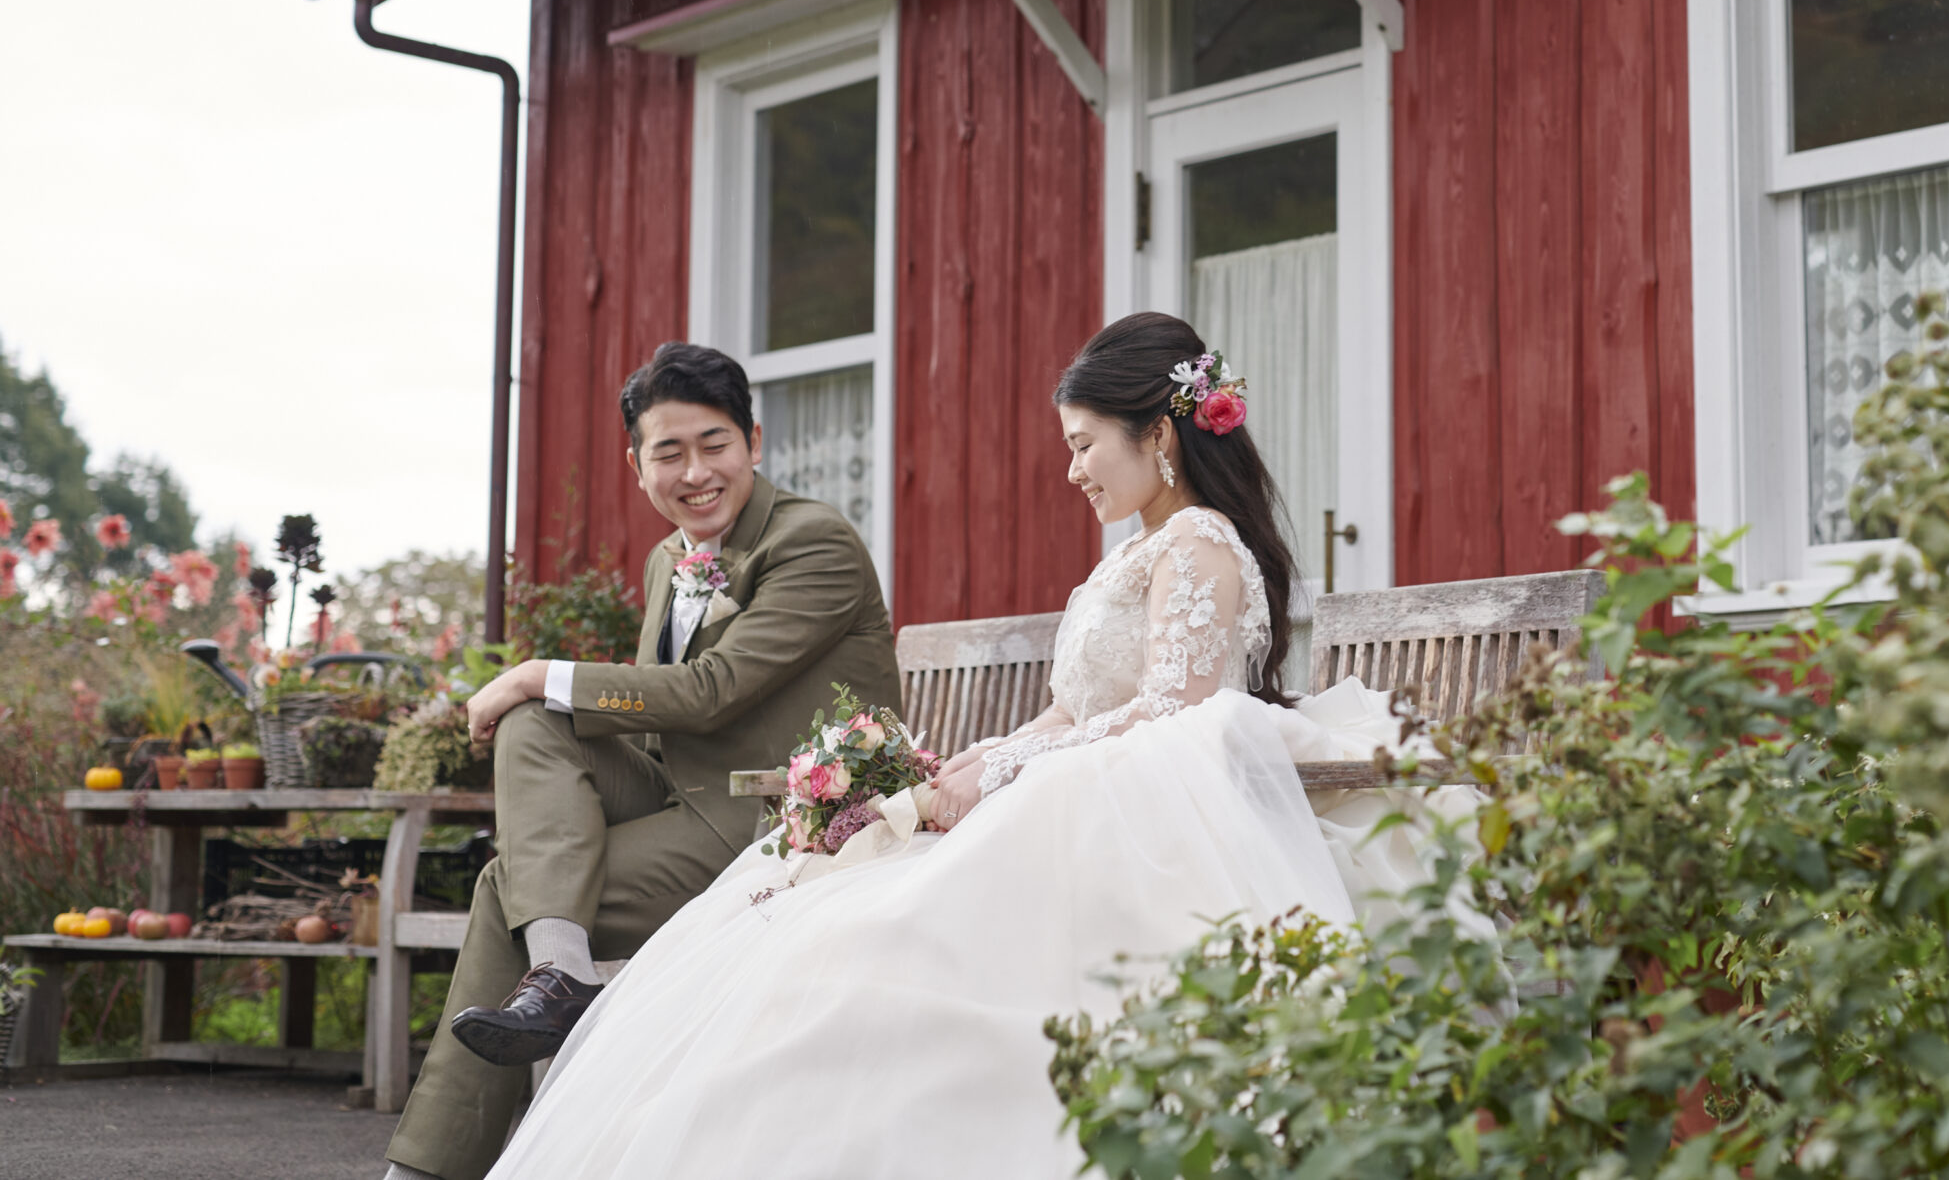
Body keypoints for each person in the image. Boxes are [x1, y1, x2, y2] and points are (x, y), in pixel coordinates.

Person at [478, 312, 1448, 1180]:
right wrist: (987, 753)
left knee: (883, 934)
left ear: (1158, 433)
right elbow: (1072, 709)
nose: (1072, 470)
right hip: (1091, 778)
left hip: (1146, 811)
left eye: (1084, 444)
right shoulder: (1141, 548)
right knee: (826, 912)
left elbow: (1175, 707)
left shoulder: (1196, 543)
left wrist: (1009, 770)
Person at [384, 342, 899, 1180]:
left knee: (512, 882)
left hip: (782, 820)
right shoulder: (671, 557)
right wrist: (539, 697)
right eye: (669, 452)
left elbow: (708, 691)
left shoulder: (814, 542)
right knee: (532, 724)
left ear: (753, 440)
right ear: (637, 466)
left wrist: (535, 670)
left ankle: (427, 1168)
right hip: (685, 800)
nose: (695, 471)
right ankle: (559, 970)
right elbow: (656, 720)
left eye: (714, 443)